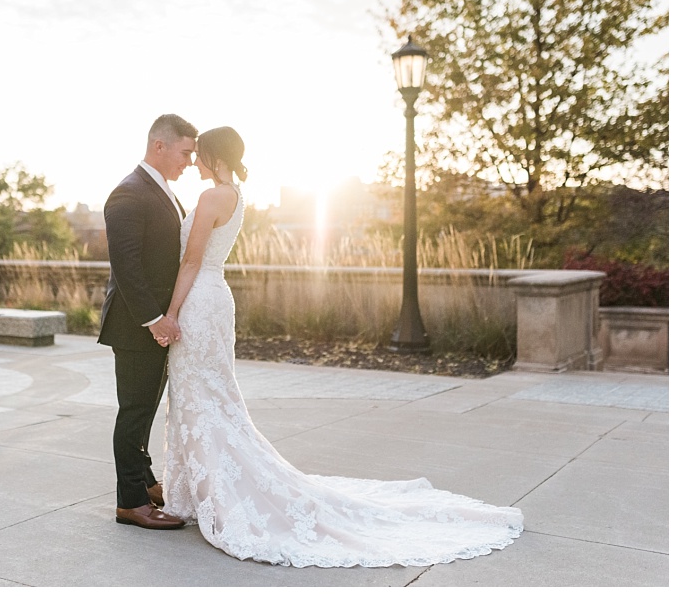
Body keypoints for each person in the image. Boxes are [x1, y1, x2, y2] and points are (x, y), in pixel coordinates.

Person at [161, 126, 524, 567]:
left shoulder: (211, 197)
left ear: (215, 156)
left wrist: (171, 313)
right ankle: (201, 491)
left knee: (202, 398)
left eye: (199, 154)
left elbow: (192, 260)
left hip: (199, 301)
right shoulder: (234, 194)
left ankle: (209, 495)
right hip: (217, 299)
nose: (194, 161)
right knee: (212, 398)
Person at [97, 114, 197, 530]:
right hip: (136, 326)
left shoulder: (165, 193)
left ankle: (145, 480)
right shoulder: (127, 194)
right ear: (160, 146)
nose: (190, 162)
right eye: (185, 152)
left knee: (146, 410)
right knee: (134, 413)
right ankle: (130, 502)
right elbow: (127, 268)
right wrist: (155, 320)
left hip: (156, 326)